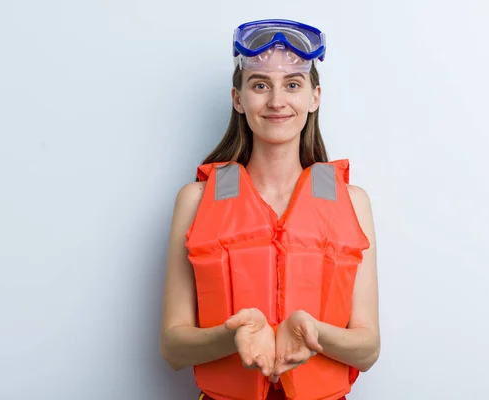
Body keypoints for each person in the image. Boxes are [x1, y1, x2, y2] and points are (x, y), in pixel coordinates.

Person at [160, 19, 380, 400]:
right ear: (238, 99)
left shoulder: (352, 201)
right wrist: (233, 336)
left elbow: (368, 350)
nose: (277, 101)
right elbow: (173, 349)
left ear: (314, 98)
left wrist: (312, 333)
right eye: (260, 84)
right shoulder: (195, 199)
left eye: (292, 84)